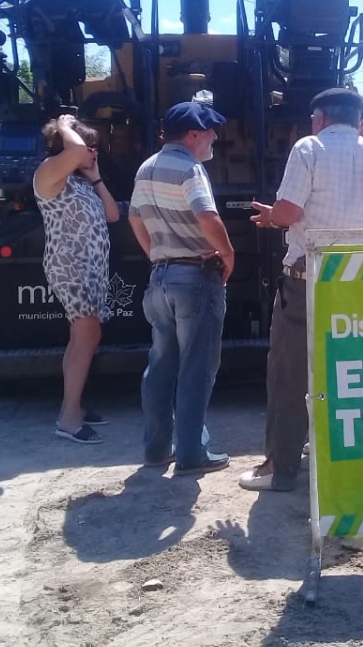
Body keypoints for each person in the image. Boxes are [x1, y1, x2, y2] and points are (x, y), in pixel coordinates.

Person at [239, 88, 363, 492]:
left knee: (289, 374)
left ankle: (280, 469)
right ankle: (337, 458)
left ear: (318, 119)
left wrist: (270, 217)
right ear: (360, 122)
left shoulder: (308, 148)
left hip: (305, 280)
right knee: (346, 371)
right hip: (353, 283)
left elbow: (289, 212)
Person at [128, 101, 235, 475]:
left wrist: (158, 256)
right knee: (197, 367)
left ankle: (156, 449)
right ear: (192, 134)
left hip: (160, 279)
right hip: (195, 278)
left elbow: (135, 218)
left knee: (160, 366)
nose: (215, 138)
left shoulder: (147, 167)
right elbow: (208, 217)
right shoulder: (191, 169)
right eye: (210, 131)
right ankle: (192, 453)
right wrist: (228, 253)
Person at [33, 114, 120, 444]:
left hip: (90, 268)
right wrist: (64, 124)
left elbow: (112, 214)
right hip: (70, 268)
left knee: (84, 337)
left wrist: (96, 177)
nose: (94, 151)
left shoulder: (79, 182)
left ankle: (76, 406)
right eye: (90, 146)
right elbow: (74, 150)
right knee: (85, 336)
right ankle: (68, 418)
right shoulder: (49, 173)